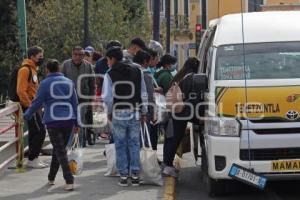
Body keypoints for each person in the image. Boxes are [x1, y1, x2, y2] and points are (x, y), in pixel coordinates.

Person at [24, 59, 78, 191]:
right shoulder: (69, 82)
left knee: (60, 150)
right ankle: (51, 177)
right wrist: (77, 122)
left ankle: (69, 179)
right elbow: (75, 103)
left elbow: (37, 102)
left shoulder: (45, 83)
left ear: (47, 70)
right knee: (59, 149)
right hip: (69, 120)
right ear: (59, 69)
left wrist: (26, 115)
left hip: (53, 121)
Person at [102, 47, 148, 187]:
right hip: (134, 111)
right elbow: (142, 92)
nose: (108, 63)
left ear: (112, 58)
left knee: (120, 144)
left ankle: (123, 175)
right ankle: (135, 175)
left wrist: (109, 112)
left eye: (108, 60)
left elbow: (108, 97)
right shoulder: (137, 70)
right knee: (134, 143)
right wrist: (144, 111)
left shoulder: (109, 74)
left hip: (118, 112)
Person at [162, 57, 200, 177]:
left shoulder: (180, 76)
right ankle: (167, 166)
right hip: (179, 114)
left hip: (173, 113)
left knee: (170, 139)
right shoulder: (190, 78)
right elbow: (191, 98)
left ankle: (166, 164)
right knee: (174, 140)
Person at [16, 46, 47, 168]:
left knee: (35, 132)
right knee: (41, 131)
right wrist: (30, 106)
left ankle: (34, 158)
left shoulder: (34, 69)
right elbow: (21, 91)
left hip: (34, 106)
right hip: (29, 106)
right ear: (32, 56)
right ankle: (32, 158)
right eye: (40, 57)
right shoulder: (25, 70)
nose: (41, 59)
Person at [62, 46, 96, 147]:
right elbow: (60, 81)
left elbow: (92, 84)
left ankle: (79, 145)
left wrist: (91, 100)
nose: (78, 57)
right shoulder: (65, 65)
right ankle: (69, 145)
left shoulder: (88, 66)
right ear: (72, 55)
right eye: (75, 54)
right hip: (68, 99)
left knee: (80, 122)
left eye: (80, 55)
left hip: (83, 99)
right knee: (70, 122)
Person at [95, 40, 122, 139]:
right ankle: (104, 133)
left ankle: (111, 139)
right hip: (105, 90)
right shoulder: (100, 63)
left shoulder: (125, 64)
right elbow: (97, 79)